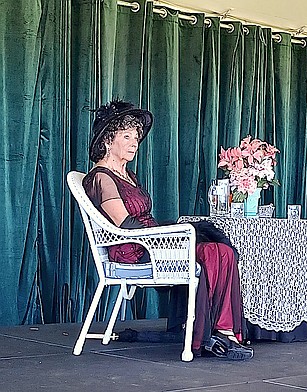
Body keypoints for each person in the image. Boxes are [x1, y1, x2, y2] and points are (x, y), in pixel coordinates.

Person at [82, 99, 253, 360]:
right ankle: (215, 332)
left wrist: (169, 233)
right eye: (126, 136)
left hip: (149, 241)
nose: (133, 143)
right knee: (214, 252)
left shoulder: (129, 175)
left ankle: (221, 331)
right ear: (107, 140)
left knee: (221, 250)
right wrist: (166, 237)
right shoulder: (102, 177)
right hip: (134, 249)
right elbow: (124, 225)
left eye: (136, 137)